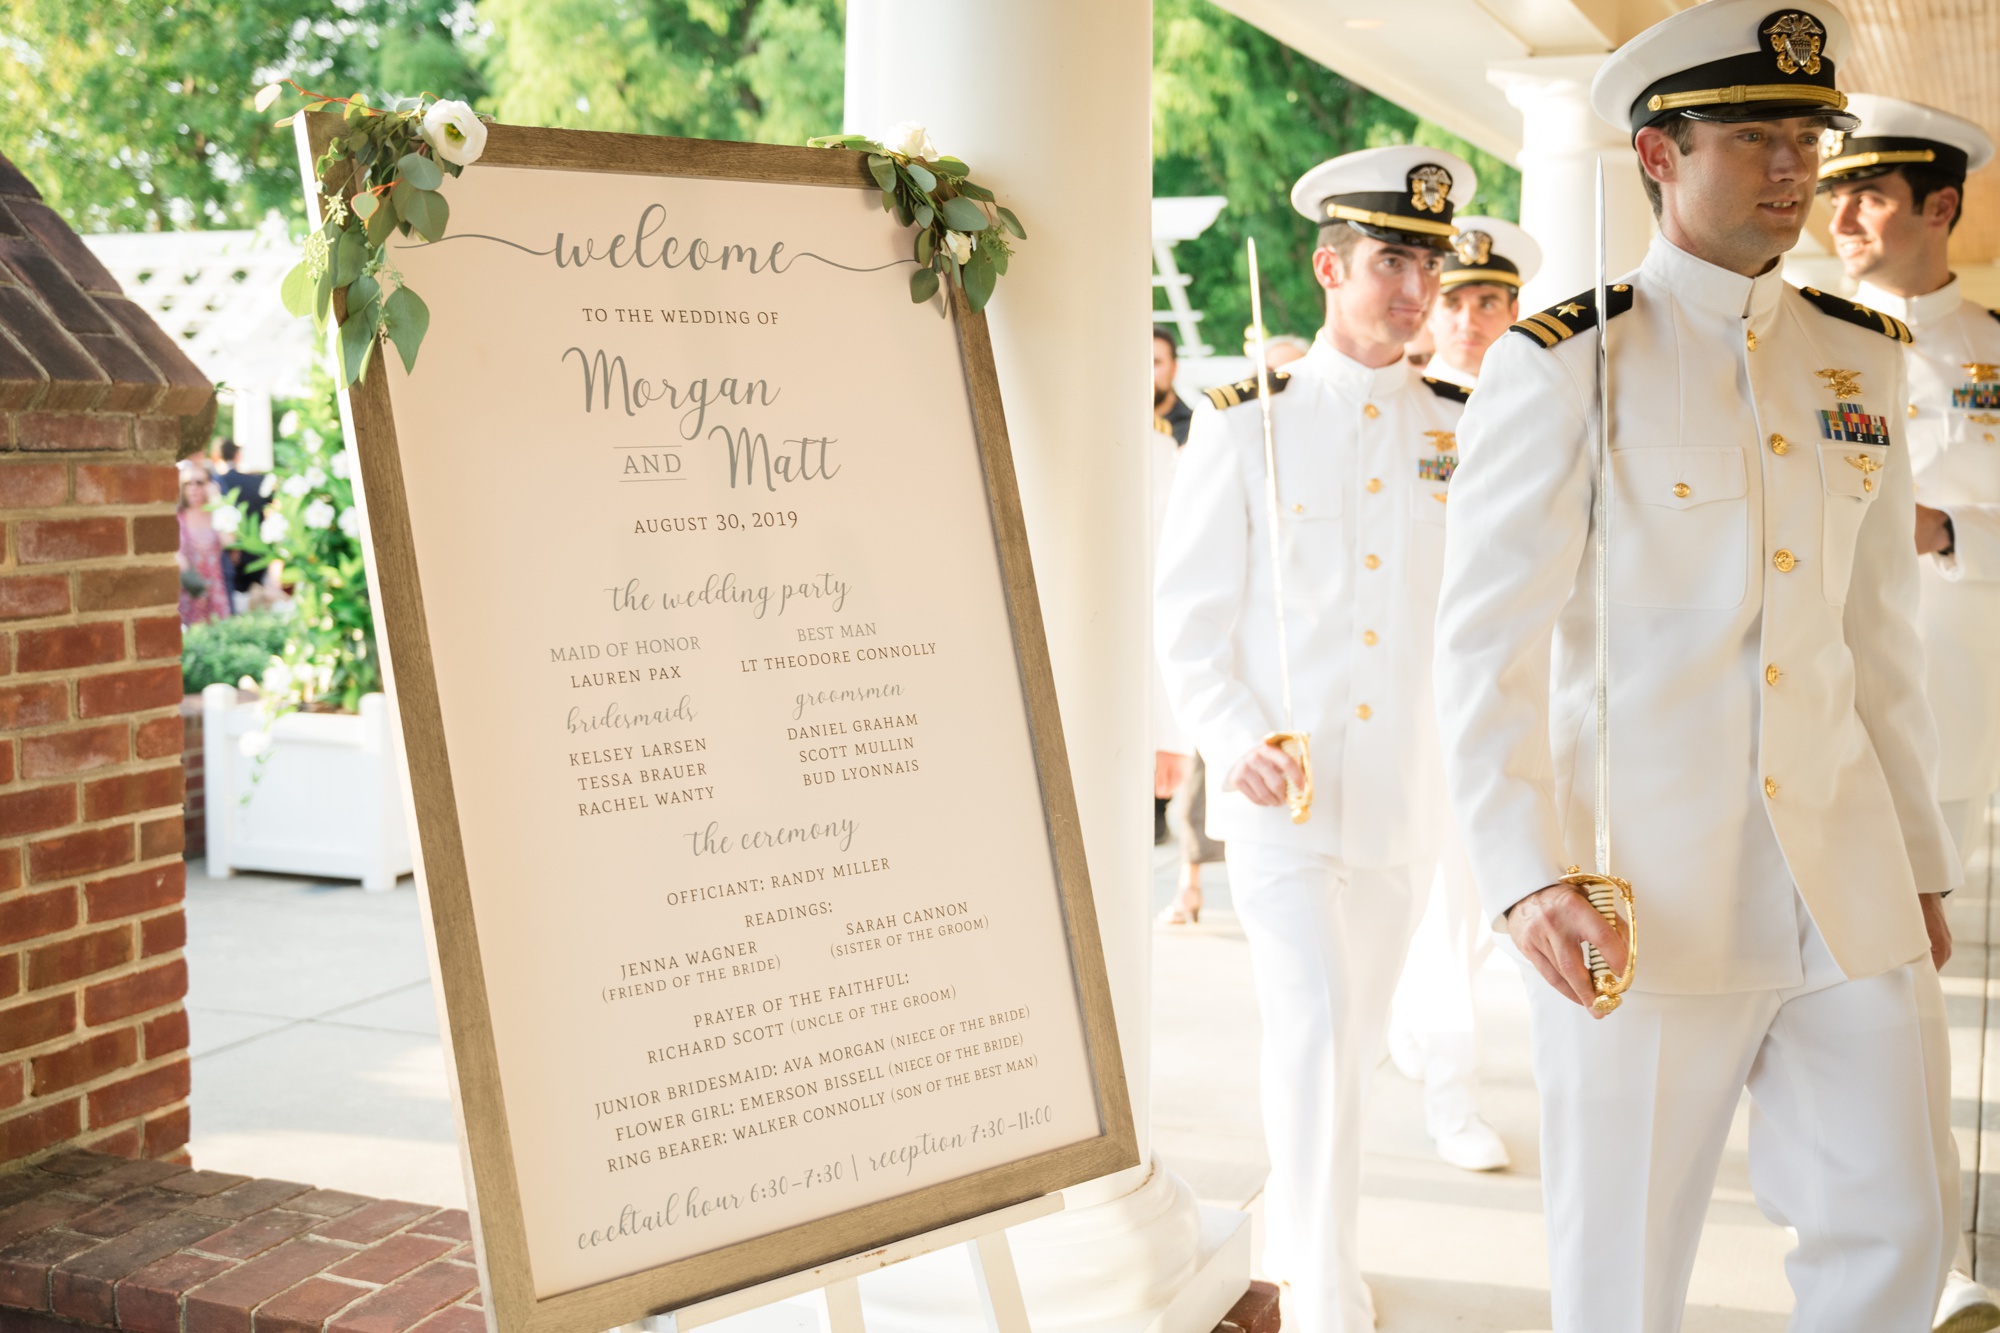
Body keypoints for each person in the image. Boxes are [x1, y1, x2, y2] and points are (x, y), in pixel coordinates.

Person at [1435, 4, 1961, 1329]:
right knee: (1623, 1276)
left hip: (1846, 885)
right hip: (1642, 901)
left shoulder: (1860, 359)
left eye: (1805, 136)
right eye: (1750, 136)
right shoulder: (1569, 363)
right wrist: (1524, 874)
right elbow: (1487, 641)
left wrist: (1922, 859)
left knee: (1899, 1226)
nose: (1790, 167)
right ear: (1657, 155)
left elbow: (1875, 635)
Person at [1158, 142, 1475, 1332]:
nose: (1414, 289)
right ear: (1327, 265)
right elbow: (1186, 618)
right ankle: (1321, 1286)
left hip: (1401, 795)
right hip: (1281, 793)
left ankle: (1302, 1238)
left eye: (1427, 265)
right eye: (1391, 260)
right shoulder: (1248, 423)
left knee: (1350, 1041)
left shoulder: (1460, 422)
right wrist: (1230, 732)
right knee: (1311, 1030)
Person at [1820, 92, 2000, 1333]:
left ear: (1941, 206)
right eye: (1837, 192)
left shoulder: (1988, 348)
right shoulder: (1802, 341)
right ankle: (1894, 1229)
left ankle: (1948, 1244)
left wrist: (1946, 530)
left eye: (1871, 193)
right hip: (1831, 725)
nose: (1843, 215)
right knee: (1872, 992)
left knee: (1944, 991)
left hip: (1964, 709)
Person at [1385, 215, 1542, 1173]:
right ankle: (1452, 1097)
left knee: (1491, 899)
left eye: (1489, 300)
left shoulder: (1543, 398)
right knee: (1448, 904)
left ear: (1515, 308)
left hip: (1527, 690)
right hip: (1426, 701)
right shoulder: (1410, 411)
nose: (1470, 318)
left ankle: (1419, 1022)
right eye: (1455, 299)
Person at [1421, 217, 1541, 391]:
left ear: (1514, 312)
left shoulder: (1538, 397)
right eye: (1452, 305)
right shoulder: (1402, 404)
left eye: (1487, 305)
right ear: (1430, 314)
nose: (1467, 323)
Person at [177, 460, 233, 627]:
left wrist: (216, 500)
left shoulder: (216, 514)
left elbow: (229, 542)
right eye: (187, 483)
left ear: (209, 484)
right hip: (187, 590)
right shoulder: (177, 516)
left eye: (199, 482)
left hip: (214, 590)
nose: (193, 488)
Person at [212, 439, 268, 599]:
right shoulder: (257, 481)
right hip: (258, 550)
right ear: (237, 455)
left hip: (230, 556)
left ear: (216, 456)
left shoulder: (214, 484)